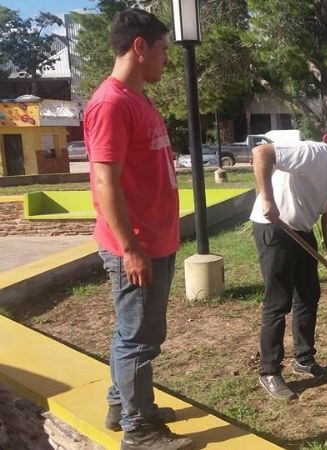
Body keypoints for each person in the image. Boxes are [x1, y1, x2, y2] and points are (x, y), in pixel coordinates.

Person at [84, 9, 193, 450]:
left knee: (134, 331)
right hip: (137, 245)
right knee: (139, 339)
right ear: (139, 47)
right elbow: (104, 182)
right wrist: (130, 248)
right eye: (163, 50)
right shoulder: (110, 104)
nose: (167, 58)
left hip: (155, 239)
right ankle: (140, 431)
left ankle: (123, 405)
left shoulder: (137, 98)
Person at [251, 130, 327, 401]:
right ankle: (269, 371)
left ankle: (304, 359)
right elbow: (262, 153)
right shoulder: (313, 153)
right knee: (278, 301)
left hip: (302, 230)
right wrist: (267, 198)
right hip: (274, 227)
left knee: (309, 294)